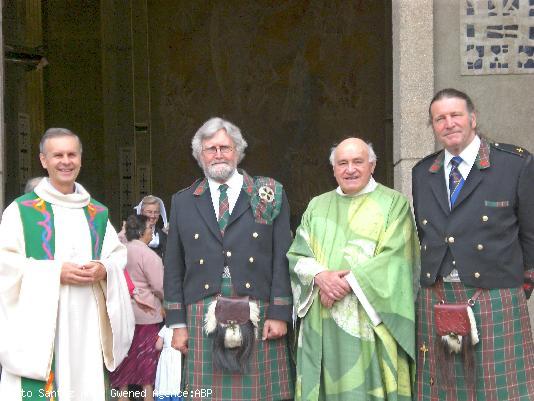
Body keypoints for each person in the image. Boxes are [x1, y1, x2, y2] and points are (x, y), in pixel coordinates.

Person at [412, 88, 534, 400]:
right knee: (445, 390)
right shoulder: (423, 172)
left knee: (500, 390)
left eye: (456, 115)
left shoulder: (514, 164)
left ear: (473, 118)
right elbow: (425, 234)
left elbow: (531, 234)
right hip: (438, 295)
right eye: (440, 118)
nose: (449, 123)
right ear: (434, 126)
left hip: (494, 294)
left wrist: (522, 287)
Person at [163, 117, 294, 401]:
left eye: (225, 147)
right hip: (202, 311)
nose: (218, 154)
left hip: (259, 307)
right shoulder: (183, 201)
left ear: (238, 151)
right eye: (211, 148)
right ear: (200, 155)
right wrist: (177, 324)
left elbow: (282, 257)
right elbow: (173, 266)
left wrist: (279, 313)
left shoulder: (267, 193)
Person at [0, 128, 135, 401]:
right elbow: (5, 262)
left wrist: (103, 268)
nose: (65, 161)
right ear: (43, 160)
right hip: (41, 327)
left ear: (81, 159)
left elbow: (117, 256)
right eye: (57, 155)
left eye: (72, 154)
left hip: (87, 325)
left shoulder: (96, 212)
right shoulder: (21, 210)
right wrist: (54, 272)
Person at [287, 137, 419, 401]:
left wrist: (345, 284)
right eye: (342, 163)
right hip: (321, 320)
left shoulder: (394, 203)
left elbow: (397, 257)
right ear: (333, 169)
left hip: (368, 322)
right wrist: (320, 277)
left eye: (358, 162)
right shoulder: (317, 205)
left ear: (372, 165)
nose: (350, 169)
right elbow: (298, 252)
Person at [111, 214, 164, 401]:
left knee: (124, 353)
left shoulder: (119, 252)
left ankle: (123, 395)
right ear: (142, 232)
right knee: (146, 355)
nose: (151, 232)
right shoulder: (149, 255)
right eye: (150, 229)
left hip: (122, 311)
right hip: (146, 313)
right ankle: (147, 395)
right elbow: (159, 286)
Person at [154, 326, 184, 401]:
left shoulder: (165, 327)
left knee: (164, 381)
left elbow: (158, 346)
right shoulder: (183, 326)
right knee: (175, 381)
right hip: (177, 355)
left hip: (165, 358)